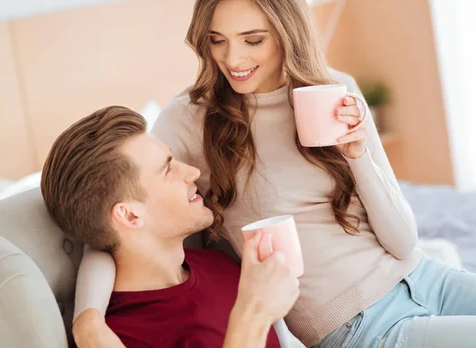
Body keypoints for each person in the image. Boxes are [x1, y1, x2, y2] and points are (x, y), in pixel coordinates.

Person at [74, 0, 476, 347]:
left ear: (286, 34)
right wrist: (89, 321)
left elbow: (402, 242)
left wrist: (359, 154)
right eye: (217, 40)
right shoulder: (189, 119)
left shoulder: (334, 89)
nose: (233, 58)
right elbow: (111, 229)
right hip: (361, 331)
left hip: (426, 278)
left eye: (253, 39)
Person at [40, 105, 299, 348]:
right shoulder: (127, 336)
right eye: (167, 170)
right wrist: (253, 313)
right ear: (130, 215)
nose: (193, 172)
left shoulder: (221, 266)